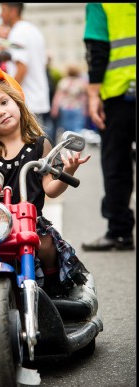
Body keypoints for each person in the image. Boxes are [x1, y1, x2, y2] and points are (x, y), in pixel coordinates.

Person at [0, 51, 91, 294]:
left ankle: (54, 288)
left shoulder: (39, 144)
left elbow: (50, 189)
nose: (0, 112)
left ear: (17, 102)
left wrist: (68, 168)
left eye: (4, 103)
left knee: (45, 246)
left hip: (29, 222)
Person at [81, 3, 136, 251]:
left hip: (119, 95)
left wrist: (94, 95)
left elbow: (97, 49)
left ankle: (120, 232)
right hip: (121, 95)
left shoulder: (102, 4)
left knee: (117, 163)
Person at [0, 3, 55, 145]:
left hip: (27, 101)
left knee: (29, 153)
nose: (1, 15)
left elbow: (22, 67)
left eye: (3, 10)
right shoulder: (33, 30)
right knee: (39, 149)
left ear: (13, 11)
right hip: (37, 98)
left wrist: (8, 94)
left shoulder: (18, 32)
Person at [51, 64, 88, 134]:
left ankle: (68, 143)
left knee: (66, 129)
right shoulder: (81, 83)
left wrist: (54, 109)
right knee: (77, 128)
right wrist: (85, 110)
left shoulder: (63, 82)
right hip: (77, 108)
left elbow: (58, 97)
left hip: (65, 108)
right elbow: (84, 98)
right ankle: (77, 143)